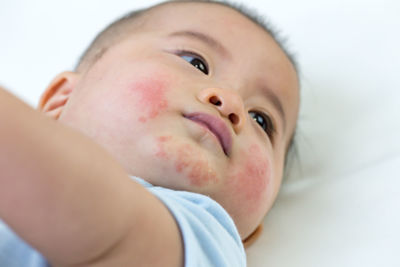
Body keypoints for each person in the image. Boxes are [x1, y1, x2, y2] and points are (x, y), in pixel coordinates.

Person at [0, 0, 299, 266]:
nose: (232, 103)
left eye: (262, 120)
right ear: (62, 100)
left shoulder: (206, 236)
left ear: (249, 234)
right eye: (195, 62)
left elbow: (112, 236)